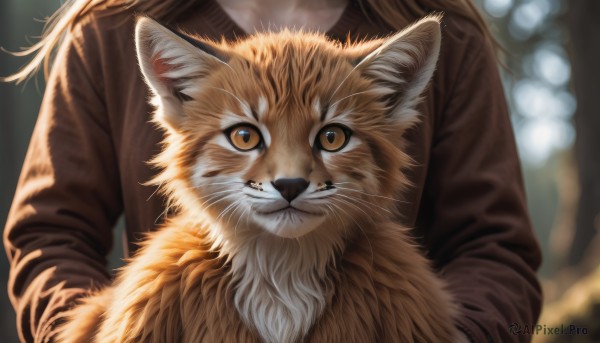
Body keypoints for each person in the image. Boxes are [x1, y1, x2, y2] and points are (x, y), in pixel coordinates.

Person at [2, 0, 542, 342]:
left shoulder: (442, 27)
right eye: (245, 136)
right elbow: (51, 234)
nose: (289, 176)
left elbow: (494, 247)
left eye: (331, 137)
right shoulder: (109, 24)